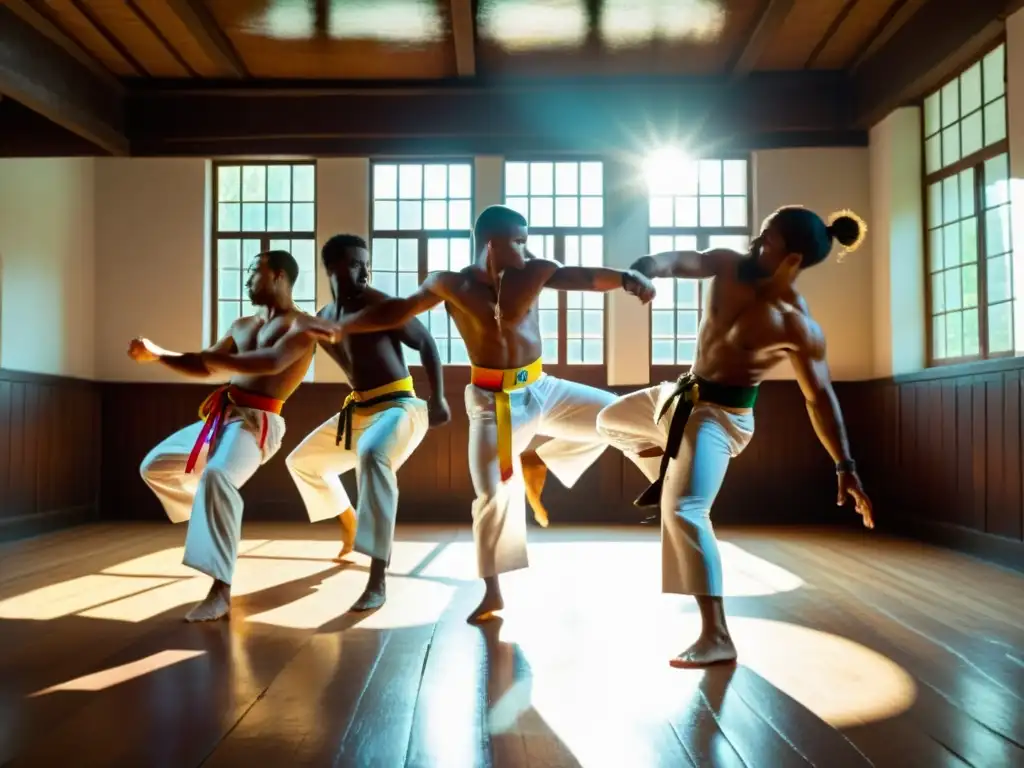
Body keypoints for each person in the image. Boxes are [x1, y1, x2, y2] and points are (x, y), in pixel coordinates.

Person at [316, 205, 660, 623]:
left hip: (541, 388)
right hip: (491, 403)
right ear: (491, 244)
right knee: (491, 497)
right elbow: (397, 311)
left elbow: (584, 277)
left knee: (618, 414)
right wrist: (343, 327)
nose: (525, 248)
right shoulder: (450, 284)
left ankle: (543, 460)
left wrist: (627, 278)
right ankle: (494, 591)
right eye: (518, 241)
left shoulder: (536, 270)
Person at [596, 206, 875, 668]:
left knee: (684, 510)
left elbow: (820, 398)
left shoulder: (795, 325)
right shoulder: (727, 265)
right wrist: (644, 268)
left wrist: (844, 465)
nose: (756, 243)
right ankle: (671, 477)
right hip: (680, 396)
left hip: (721, 418)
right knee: (610, 421)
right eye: (761, 234)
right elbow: (682, 260)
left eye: (769, 240)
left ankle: (717, 635)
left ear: (793, 258)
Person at [128, 249, 327, 622]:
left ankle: (220, 591)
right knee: (154, 466)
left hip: (259, 422)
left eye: (254, 273)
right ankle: (211, 512)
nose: (247, 280)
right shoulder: (241, 325)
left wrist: (214, 361)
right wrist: (158, 354)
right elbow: (203, 365)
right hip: (223, 415)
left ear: (279, 276)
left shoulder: (302, 326)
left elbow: (270, 363)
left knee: (218, 476)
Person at [285, 234, 451, 611]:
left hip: (400, 408)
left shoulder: (381, 305)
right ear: (332, 268)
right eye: (356, 263)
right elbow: (285, 359)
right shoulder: (323, 318)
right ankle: (349, 520)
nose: (365, 271)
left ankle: (377, 577)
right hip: (357, 411)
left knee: (372, 455)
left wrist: (438, 397)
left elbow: (425, 342)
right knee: (302, 462)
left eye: (366, 263)